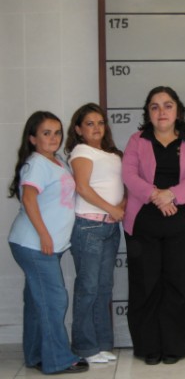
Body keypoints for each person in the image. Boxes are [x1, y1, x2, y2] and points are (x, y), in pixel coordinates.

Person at [122, 86, 185, 365]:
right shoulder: (137, 140)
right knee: (145, 287)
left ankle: (173, 347)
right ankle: (148, 348)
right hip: (144, 223)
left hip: (182, 224)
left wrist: (172, 195)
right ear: (148, 112)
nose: (161, 112)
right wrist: (156, 195)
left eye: (167, 105)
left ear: (177, 110)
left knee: (179, 287)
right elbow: (129, 175)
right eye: (155, 106)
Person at [7, 111, 89, 375]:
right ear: (33, 138)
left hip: (42, 245)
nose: (53, 138)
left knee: (37, 301)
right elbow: (28, 198)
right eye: (46, 133)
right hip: (34, 244)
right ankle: (58, 360)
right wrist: (44, 234)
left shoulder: (56, 161)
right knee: (54, 300)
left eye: (57, 132)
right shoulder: (37, 163)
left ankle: (35, 355)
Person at [64, 103, 125, 363]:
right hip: (89, 226)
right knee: (88, 288)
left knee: (103, 287)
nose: (97, 128)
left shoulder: (112, 153)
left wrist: (120, 208)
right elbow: (82, 187)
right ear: (78, 129)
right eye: (90, 124)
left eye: (100, 123)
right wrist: (112, 209)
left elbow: (122, 188)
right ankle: (85, 348)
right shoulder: (81, 150)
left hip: (110, 227)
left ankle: (102, 344)